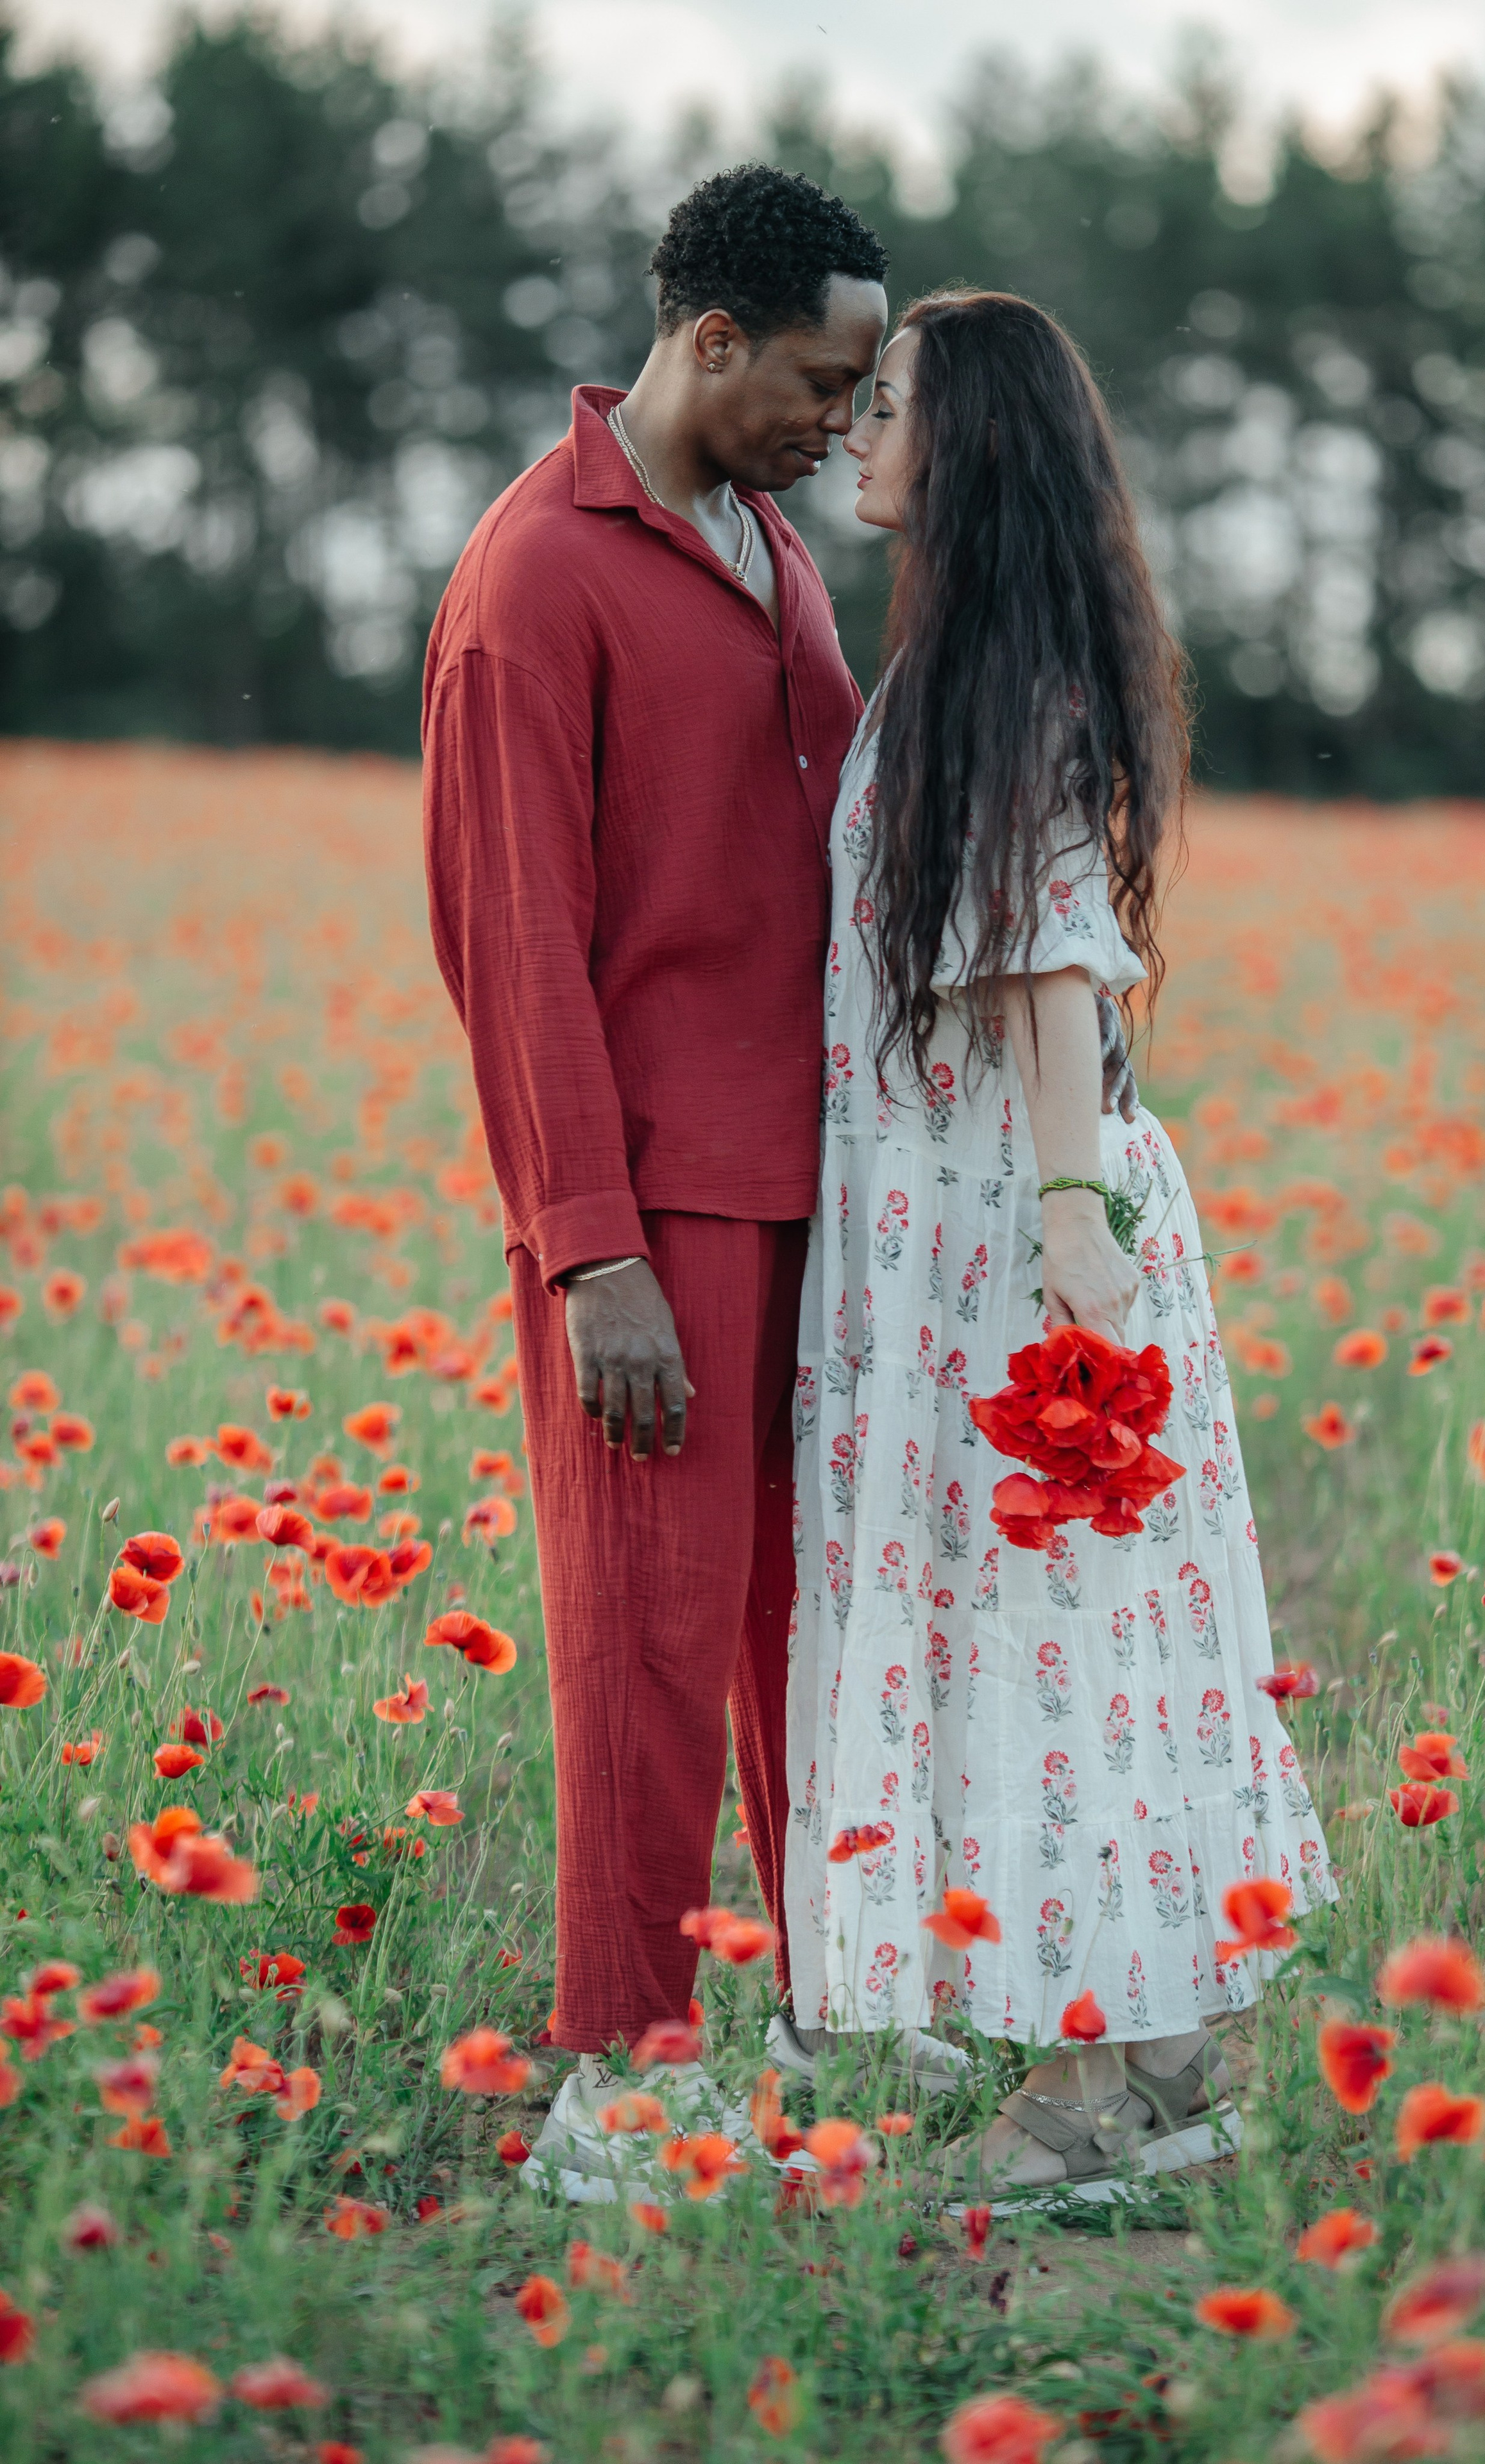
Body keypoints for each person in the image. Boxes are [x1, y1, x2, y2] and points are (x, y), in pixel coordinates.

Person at [776, 290, 1335, 2201]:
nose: (859, 430)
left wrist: (1079, 1225)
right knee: (1050, 1630)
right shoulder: (956, 666)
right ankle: (1162, 2037)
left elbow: (1042, 963)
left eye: (897, 405)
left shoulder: (995, 684)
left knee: (1059, 1635)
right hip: (963, 1221)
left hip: (1016, 1234)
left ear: (977, 442)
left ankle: (1104, 2068)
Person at [421, 166, 891, 2196]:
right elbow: (511, 936)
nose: (846, 425)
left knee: (808, 1632)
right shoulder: (537, 575)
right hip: (659, 1206)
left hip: (819, 1181)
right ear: (711, 342)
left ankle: (805, 2020)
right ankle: (618, 2086)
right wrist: (588, 1248)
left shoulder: (772, 541)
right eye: (824, 379)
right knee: (643, 1637)